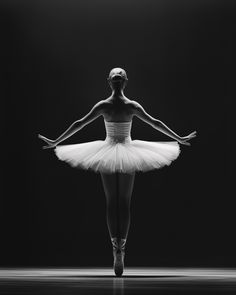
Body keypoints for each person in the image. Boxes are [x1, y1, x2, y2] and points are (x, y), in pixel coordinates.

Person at [38, 67, 196, 277]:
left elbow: (154, 122)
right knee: (113, 200)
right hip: (110, 149)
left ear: (125, 81)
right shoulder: (104, 105)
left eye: (120, 76)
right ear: (109, 81)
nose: (117, 78)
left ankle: (122, 247)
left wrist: (178, 137)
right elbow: (80, 123)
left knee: (123, 200)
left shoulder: (131, 105)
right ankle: (116, 248)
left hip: (127, 149)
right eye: (115, 76)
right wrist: (57, 140)